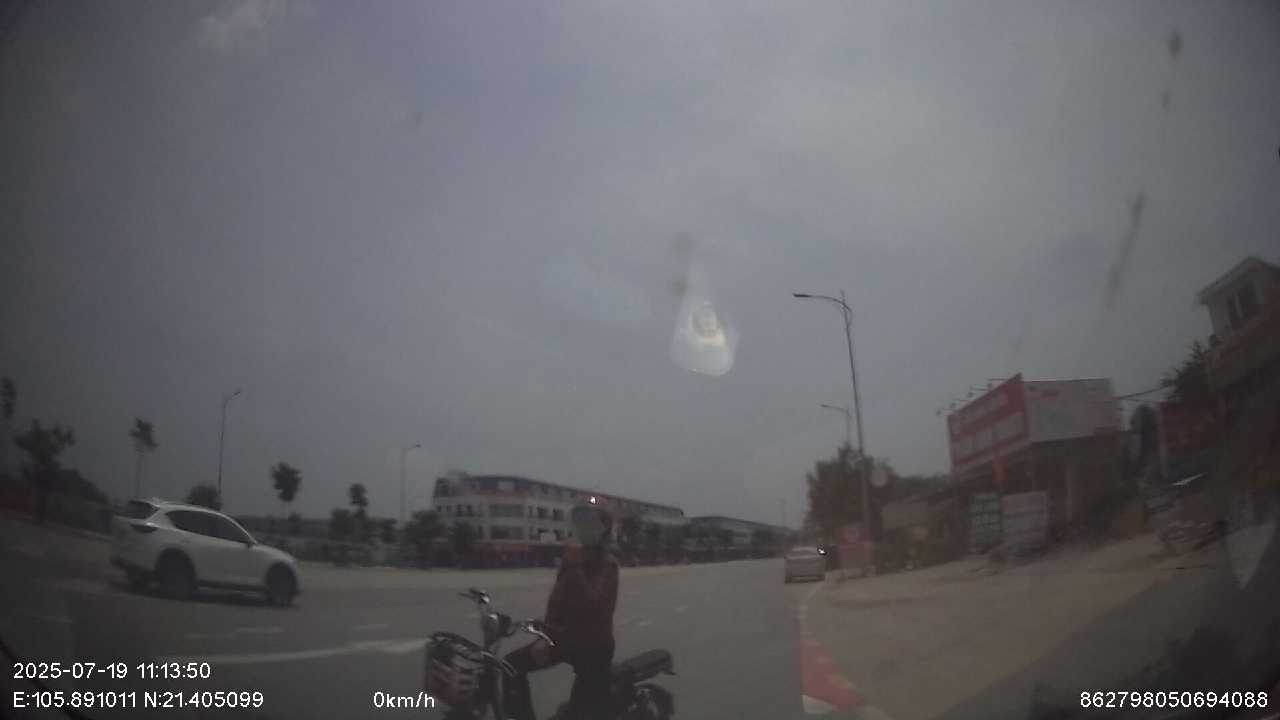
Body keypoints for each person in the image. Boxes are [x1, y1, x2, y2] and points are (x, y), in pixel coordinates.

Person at [504, 499, 619, 720]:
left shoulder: (608, 564)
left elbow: (593, 603)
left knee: (581, 713)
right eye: (579, 523)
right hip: (563, 638)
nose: (583, 529)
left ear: (604, 530)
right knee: (509, 666)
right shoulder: (571, 558)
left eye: (590, 523)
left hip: (594, 646)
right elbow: (556, 601)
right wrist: (544, 636)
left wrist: (575, 566)